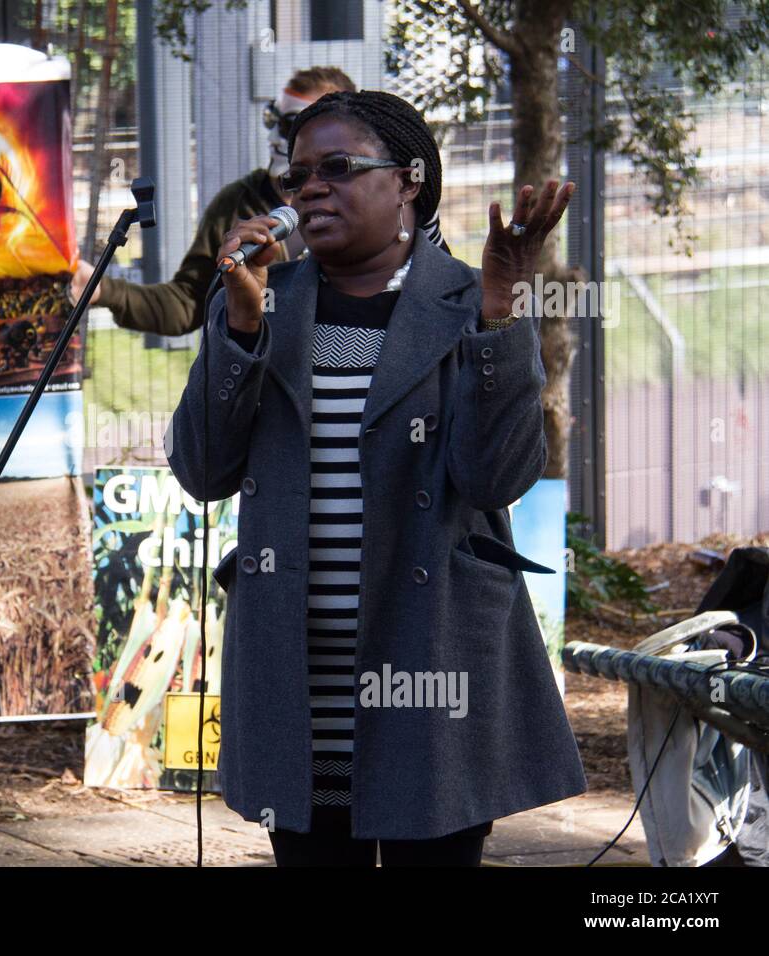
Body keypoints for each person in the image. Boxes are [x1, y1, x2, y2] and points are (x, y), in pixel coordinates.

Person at [164, 90, 587, 866]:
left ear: (408, 181)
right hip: (298, 680)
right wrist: (242, 323)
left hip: (427, 670)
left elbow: (495, 479)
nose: (310, 189)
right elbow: (201, 470)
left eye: (338, 168)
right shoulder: (264, 305)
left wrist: (500, 315)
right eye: (296, 178)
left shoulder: (469, 301)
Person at [68, 67, 364, 335]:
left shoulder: (360, 205)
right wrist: (103, 289)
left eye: (288, 125)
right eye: (271, 119)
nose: (273, 136)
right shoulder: (238, 204)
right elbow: (187, 303)